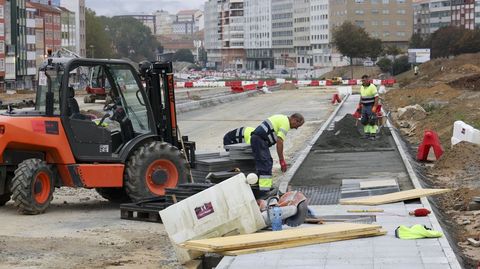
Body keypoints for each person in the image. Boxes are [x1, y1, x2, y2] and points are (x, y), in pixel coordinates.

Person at [250, 113, 305, 191]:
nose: (296, 128)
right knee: (265, 164)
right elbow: (280, 142)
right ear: (294, 120)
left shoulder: (282, 119)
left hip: (259, 139)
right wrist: (281, 160)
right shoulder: (285, 123)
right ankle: (264, 190)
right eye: (297, 125)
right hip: (259, 140)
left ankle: (264, 187)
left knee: (266, 162)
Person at [359, 74, 379, 140]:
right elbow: (361, 96)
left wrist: (375, 107)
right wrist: (360, 104)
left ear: (368, 80)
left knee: (372, 120)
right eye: (362, 80)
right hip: (364, 106)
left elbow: (376, 97)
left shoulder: (372, 87)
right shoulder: (362, 87)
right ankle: (367, 134)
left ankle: (373, 135)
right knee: (364, 121)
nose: (363, 82)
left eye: (364, 80)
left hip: (370, 106)